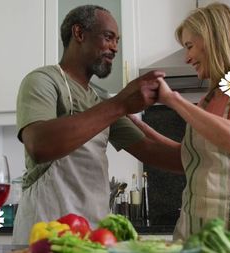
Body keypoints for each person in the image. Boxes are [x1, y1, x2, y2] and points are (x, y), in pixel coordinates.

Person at [13, 5, 182, 244]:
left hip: (91, 233)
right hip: (45, 230)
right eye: (108, 37)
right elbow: (39, 145)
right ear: (79, 34)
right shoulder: (42, 81)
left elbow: (153, 151)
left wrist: (216, 147)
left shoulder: (100, 100)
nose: (115, 47)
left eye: (117, 41)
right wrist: (120, 103)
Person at [129, 3, 230, 240]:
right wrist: (132, 123)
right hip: (195, 226)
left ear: (215, 40)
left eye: (189, 46)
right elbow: (190, 159)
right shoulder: (209, 100)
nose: (187, 58)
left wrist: (173, 100)